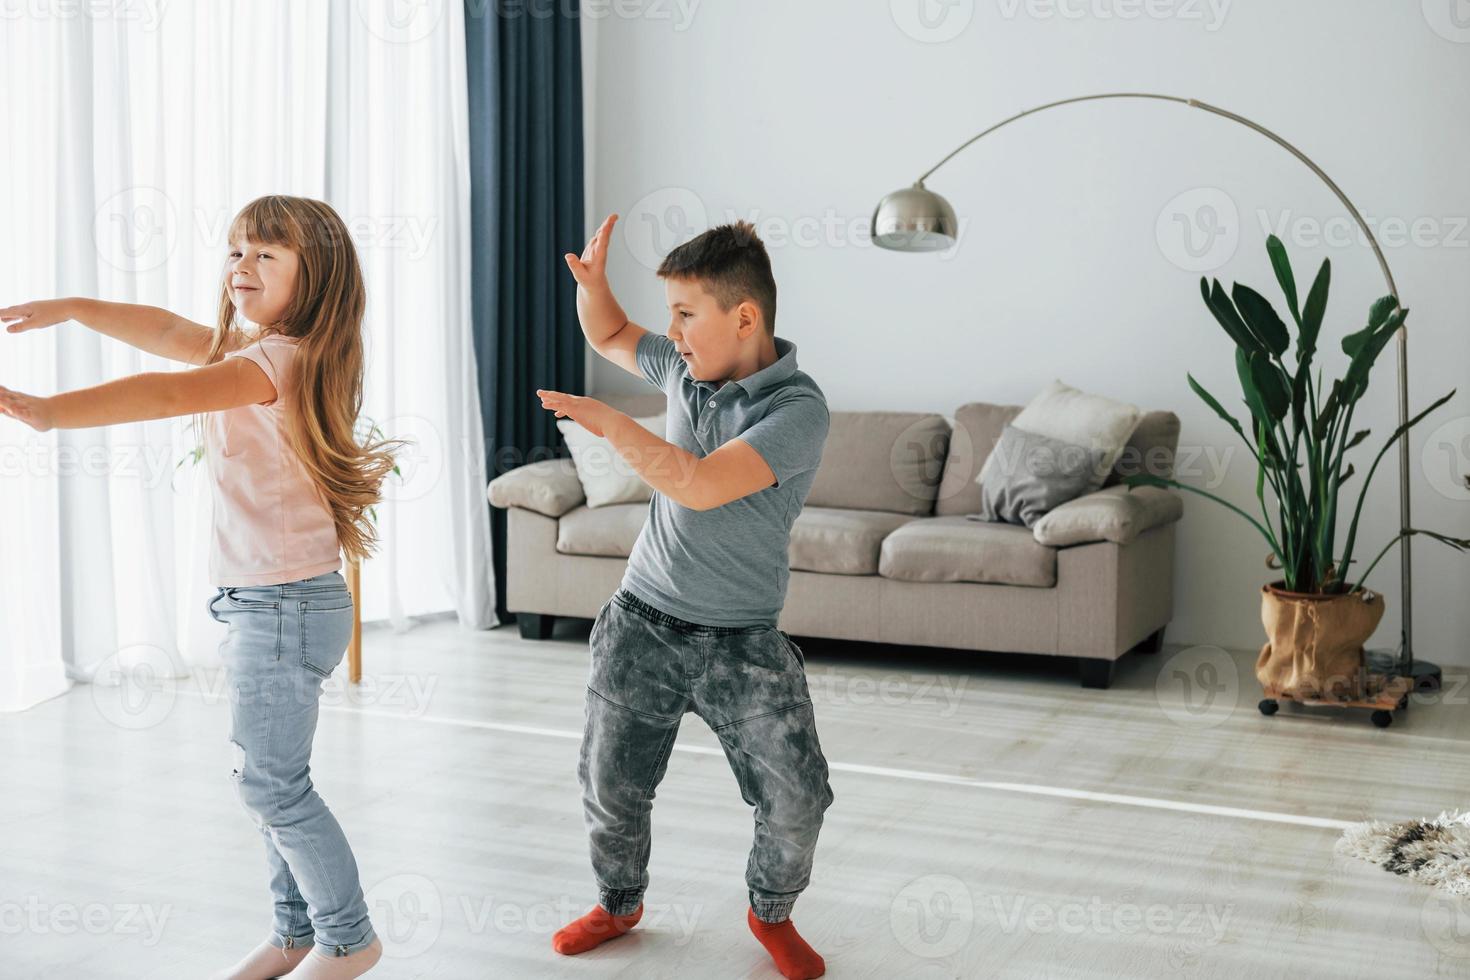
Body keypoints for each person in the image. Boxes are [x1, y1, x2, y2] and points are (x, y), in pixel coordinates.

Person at [0, 194, 401, 980]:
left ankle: (348, 941)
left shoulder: (273, 364)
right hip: (274, 601)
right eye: (234, 250)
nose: (239, 267)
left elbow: (167, 390)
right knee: (271, 781)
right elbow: (163, 330)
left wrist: (47, 413)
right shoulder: (270, 349)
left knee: (273, 786)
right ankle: (293, 935)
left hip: (281, 606)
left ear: (311, 277)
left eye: (265, 255)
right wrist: (76, 307)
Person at [536, 214, 834, 979]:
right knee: (610, 784)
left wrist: (607, 421)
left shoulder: (796, 411)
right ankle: (619, 902)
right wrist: (593, 288)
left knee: (798, 798)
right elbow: (609, 336)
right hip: (643, 623)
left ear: (744, 317)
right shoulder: (682, 368)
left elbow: (698, 486)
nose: (670, 333)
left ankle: (771, 914)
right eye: (669, 313)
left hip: (744, 642)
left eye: (684, 314)